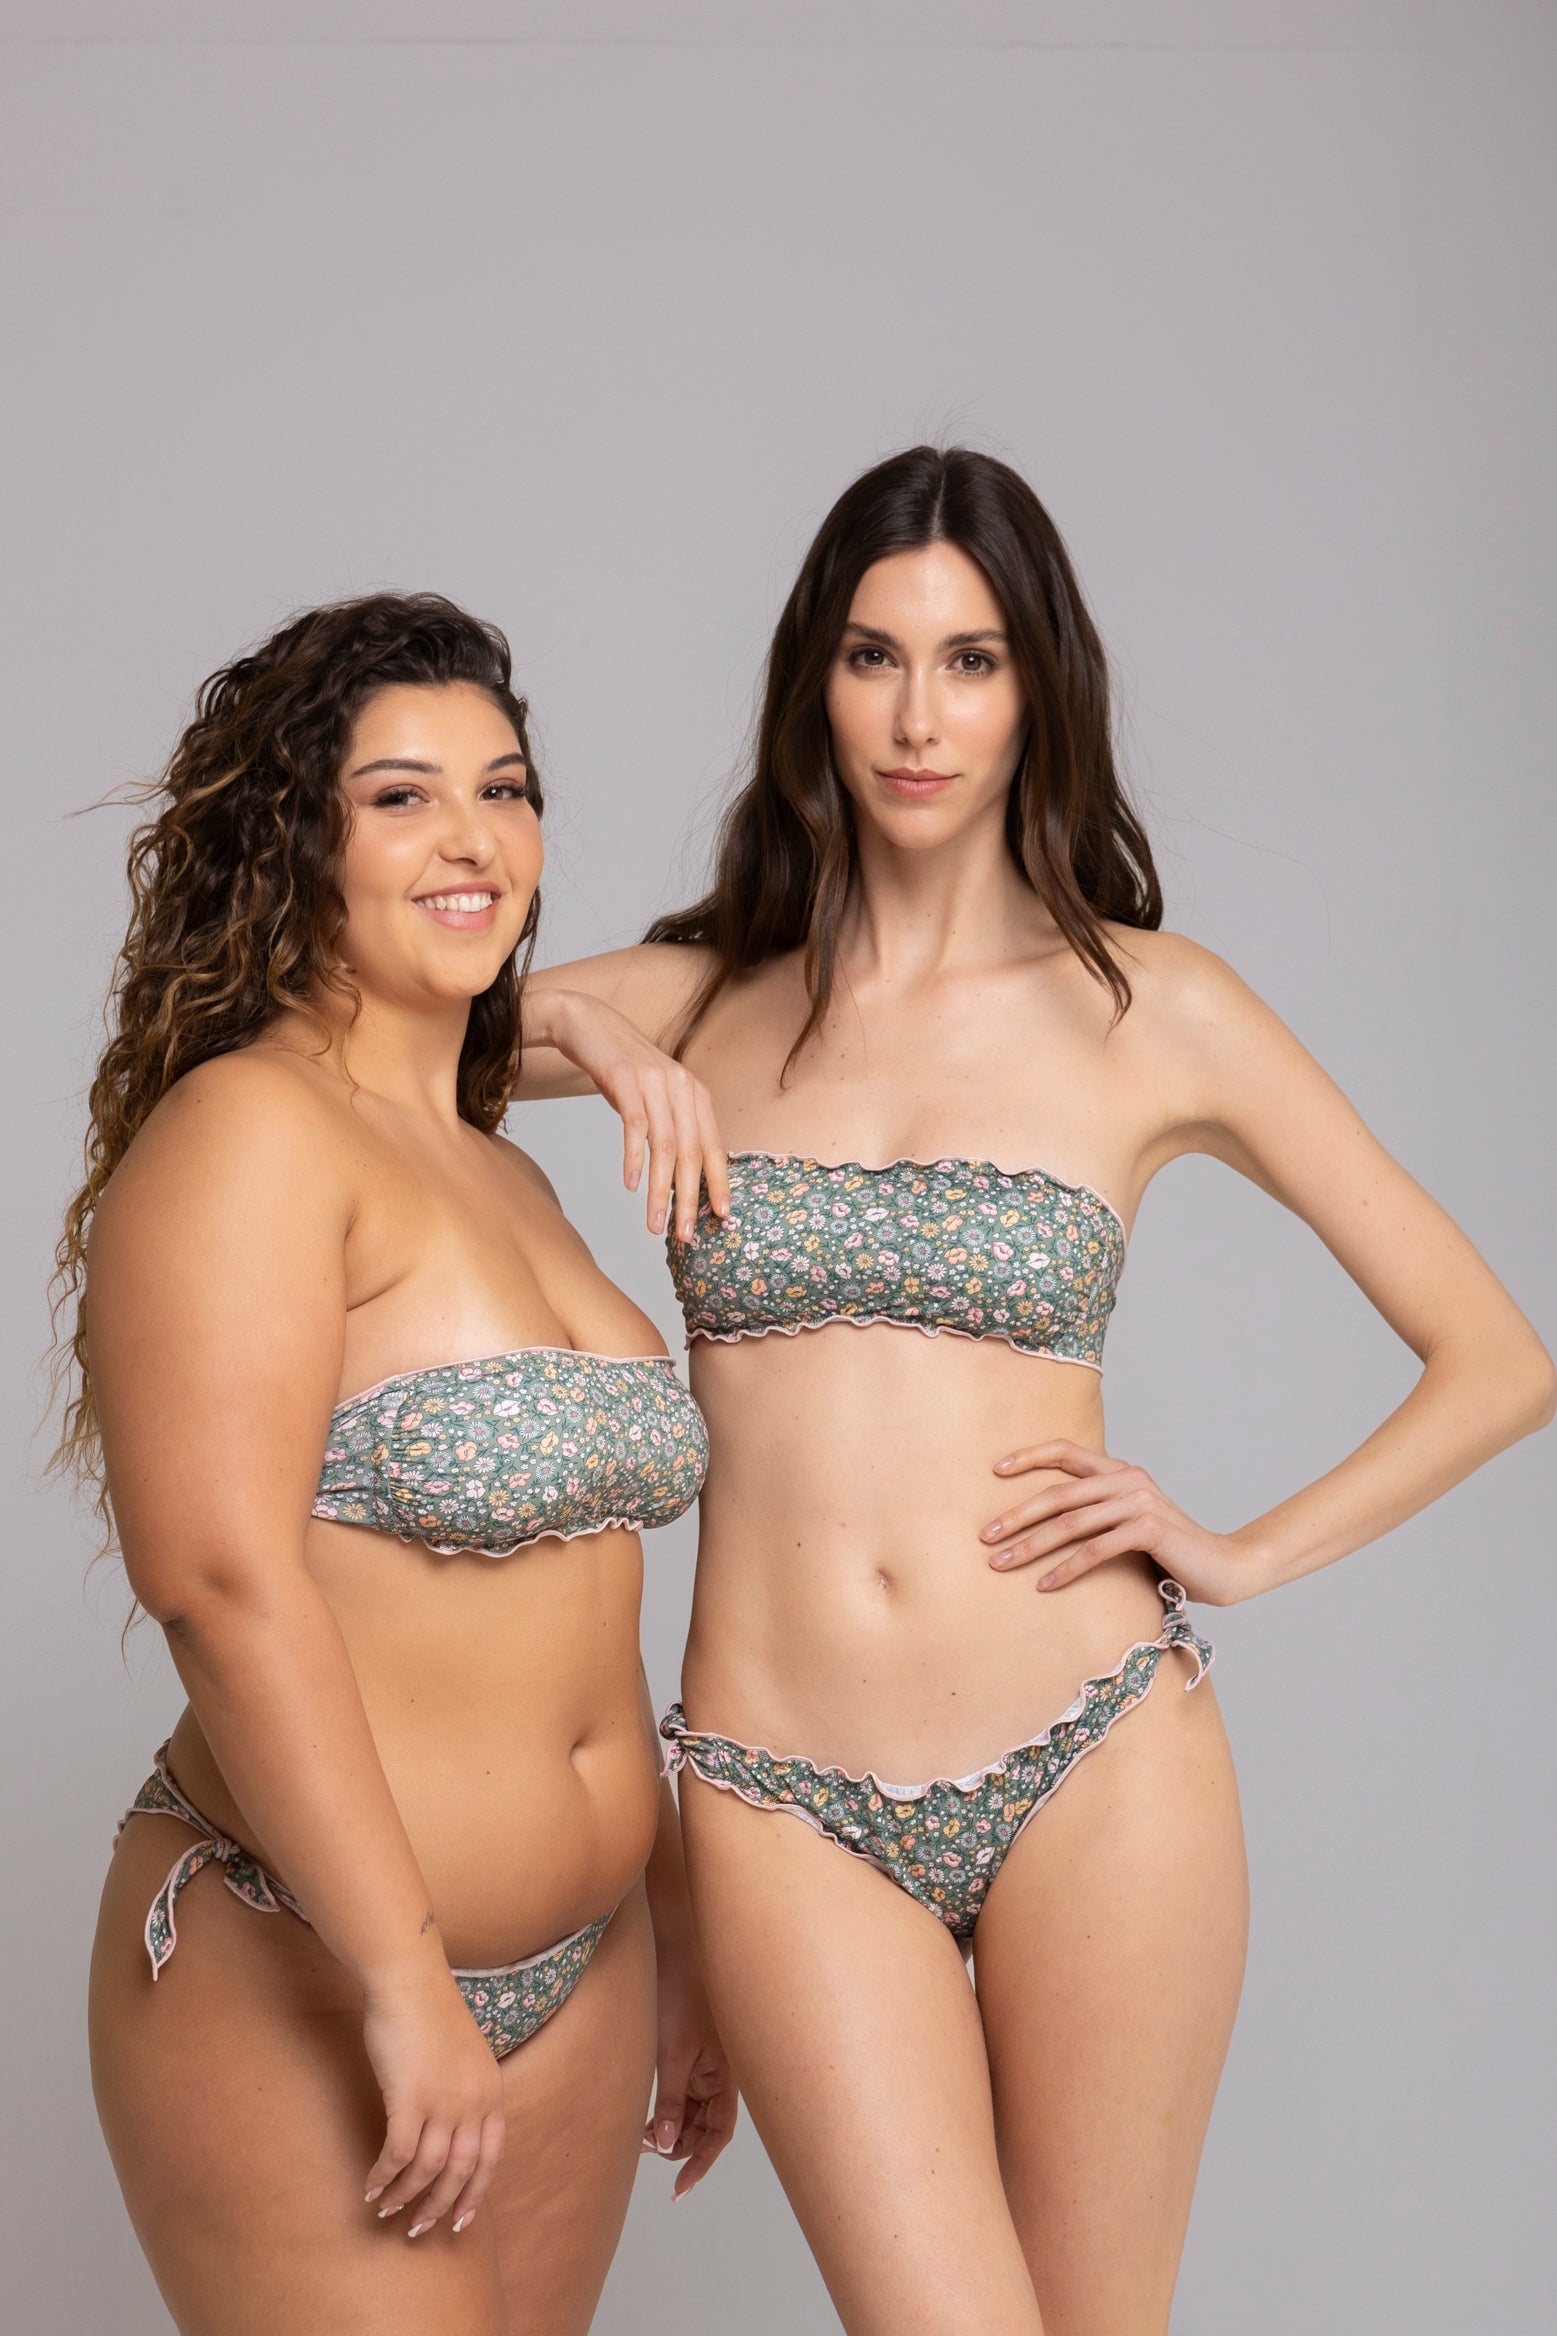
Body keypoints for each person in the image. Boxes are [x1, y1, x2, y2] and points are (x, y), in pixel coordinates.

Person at [514, 447, 1555, 2336]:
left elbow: (1498, 1359)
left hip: (1095, 1756)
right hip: (776, 1793)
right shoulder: (701, 998)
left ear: (1035, 689)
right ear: (812, 683)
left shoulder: (1155, 1006)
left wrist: (1235, 1551)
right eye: (872, 656)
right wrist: (588, 1017)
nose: (917, 718)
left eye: (969, 661)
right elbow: (348, 1012)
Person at [55, 594, 734, 2336]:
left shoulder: (504, 1171)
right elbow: (217, 1583)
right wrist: (401, 1979)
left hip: (591, 1963)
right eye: (400, 797)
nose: (470, 838)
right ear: (297, 843)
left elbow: (583, 1605)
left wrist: (671, 1920)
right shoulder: (250, 1133)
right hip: (311, 1958)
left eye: (503, 791)